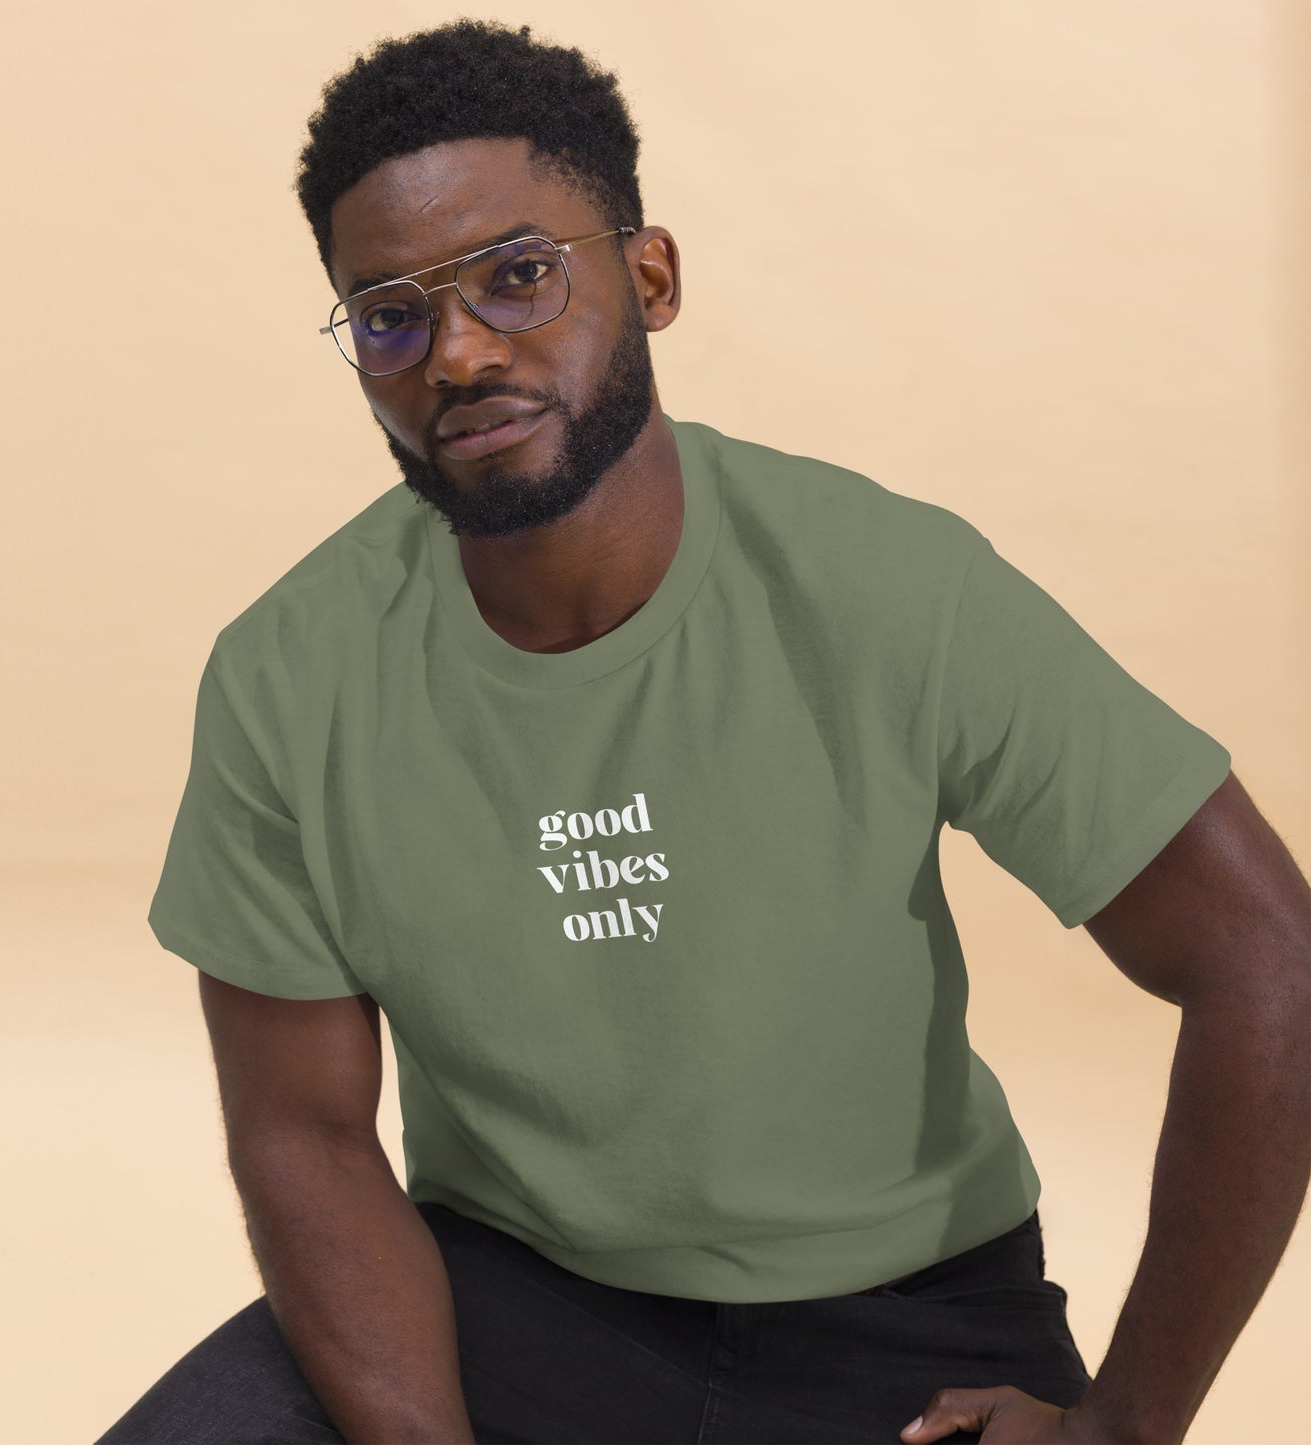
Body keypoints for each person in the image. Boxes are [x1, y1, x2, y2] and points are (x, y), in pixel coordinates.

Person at [96, 19, 1311, 1445]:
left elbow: (1264, 958)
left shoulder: (887, 584)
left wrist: (1126, 1423)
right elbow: (301, 1132)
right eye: (390, 316)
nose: (460, 352)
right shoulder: (285, 675)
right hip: (510, 1301)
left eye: (518, 274)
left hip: (901, 1326)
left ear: (649, 276)